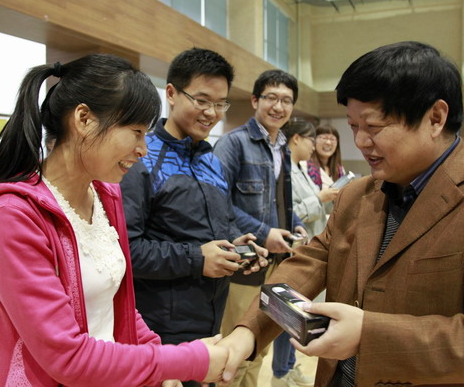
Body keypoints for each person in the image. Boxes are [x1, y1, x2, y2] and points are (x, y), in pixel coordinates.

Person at [219, 41, 464, 387]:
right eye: (353, 126)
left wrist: (368, 334)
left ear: (435, 118)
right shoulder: (358, 195)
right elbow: (308, 264)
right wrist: (247, 332)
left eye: (373, 126)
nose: (359, 141)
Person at [0, 54, 229, 387]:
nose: (143, 149)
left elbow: (119, 304)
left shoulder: (105, 195)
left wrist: (159, 361)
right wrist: (185, 361)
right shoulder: (13, 215)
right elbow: (67, 356)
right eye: (136, 132)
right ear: (84, 119)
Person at [120, 47, 267, 387]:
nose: (211, 113)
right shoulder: (141, 158)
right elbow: (127, 250)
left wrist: (237, 246)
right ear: (171, 93)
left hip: (212, 319)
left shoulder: (211, 161)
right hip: (157, 329)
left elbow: (222, 224)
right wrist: (198, 259)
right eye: (202, 100)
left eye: (220, 103)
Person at [214, 70, 308, 387]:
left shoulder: (282, 146)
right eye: (271, 98)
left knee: (260, 347)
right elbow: (217, 204)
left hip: (277, 264)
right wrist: (265, 232)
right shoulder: (233, 143)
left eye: (286, 100)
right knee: (236, 350)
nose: (278, 107)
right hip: (245, 262)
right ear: (255, 100)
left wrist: (295, 226)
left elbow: (282, 201)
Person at [281, 118, 334, 238]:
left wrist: (330, 197)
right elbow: (290, 214)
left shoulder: (300, 169)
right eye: (312, 141)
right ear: (296, 138)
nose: (313, 148)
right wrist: (319, 198)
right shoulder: (284, 172)